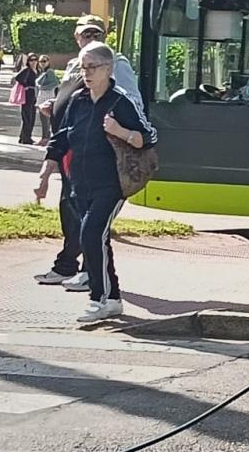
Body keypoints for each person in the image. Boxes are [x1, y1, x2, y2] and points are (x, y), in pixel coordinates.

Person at [34, 42, 157, 323]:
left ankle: (99, 298)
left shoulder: (120, 102)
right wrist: (44, 175)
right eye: (82, 67)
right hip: (80, 184)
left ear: (108, 69)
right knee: (98, 239)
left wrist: (120, 131)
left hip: (111, 185)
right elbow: (62, 138)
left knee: (91, 235)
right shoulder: (78, 100)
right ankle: (112, 299)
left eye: (92, 67)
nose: (86, 73)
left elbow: (148, 136)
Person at [33, 17, 137, 291]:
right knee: (72, 210)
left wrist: (116, 128)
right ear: (76, 37)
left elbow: (130, 104)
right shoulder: (74, 65)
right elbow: (76, 102)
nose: (90, 37)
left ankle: (95, 280)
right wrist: (55, 105)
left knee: (90, 222)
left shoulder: (116, 63)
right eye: (85, 33)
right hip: (73, 150)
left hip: (101, 155)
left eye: (96, 32)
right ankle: (70, 266)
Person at [11, 53, 40, 144]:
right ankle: (26, 138)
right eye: (31, 60)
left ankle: (24, 137)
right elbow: (17, 77)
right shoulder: (26, 70)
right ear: (28, 61)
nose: (33, 62)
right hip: (27, 95)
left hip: (35, 95)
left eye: (35, 60)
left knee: (32, 117)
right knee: (27, 117)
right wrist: (25, 86)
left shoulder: (38, 71)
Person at [34, 55, 59, 144]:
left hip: (47, 97)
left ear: (48, 62)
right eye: (41, 61)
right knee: (43, 119)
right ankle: (45, 137)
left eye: (44, 61)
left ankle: (45, 138)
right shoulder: (43, 72)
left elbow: (55, 83)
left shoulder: (49, 72)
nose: (42, 63)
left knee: (45, 119)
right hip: (42, 97)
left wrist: (43, 87)